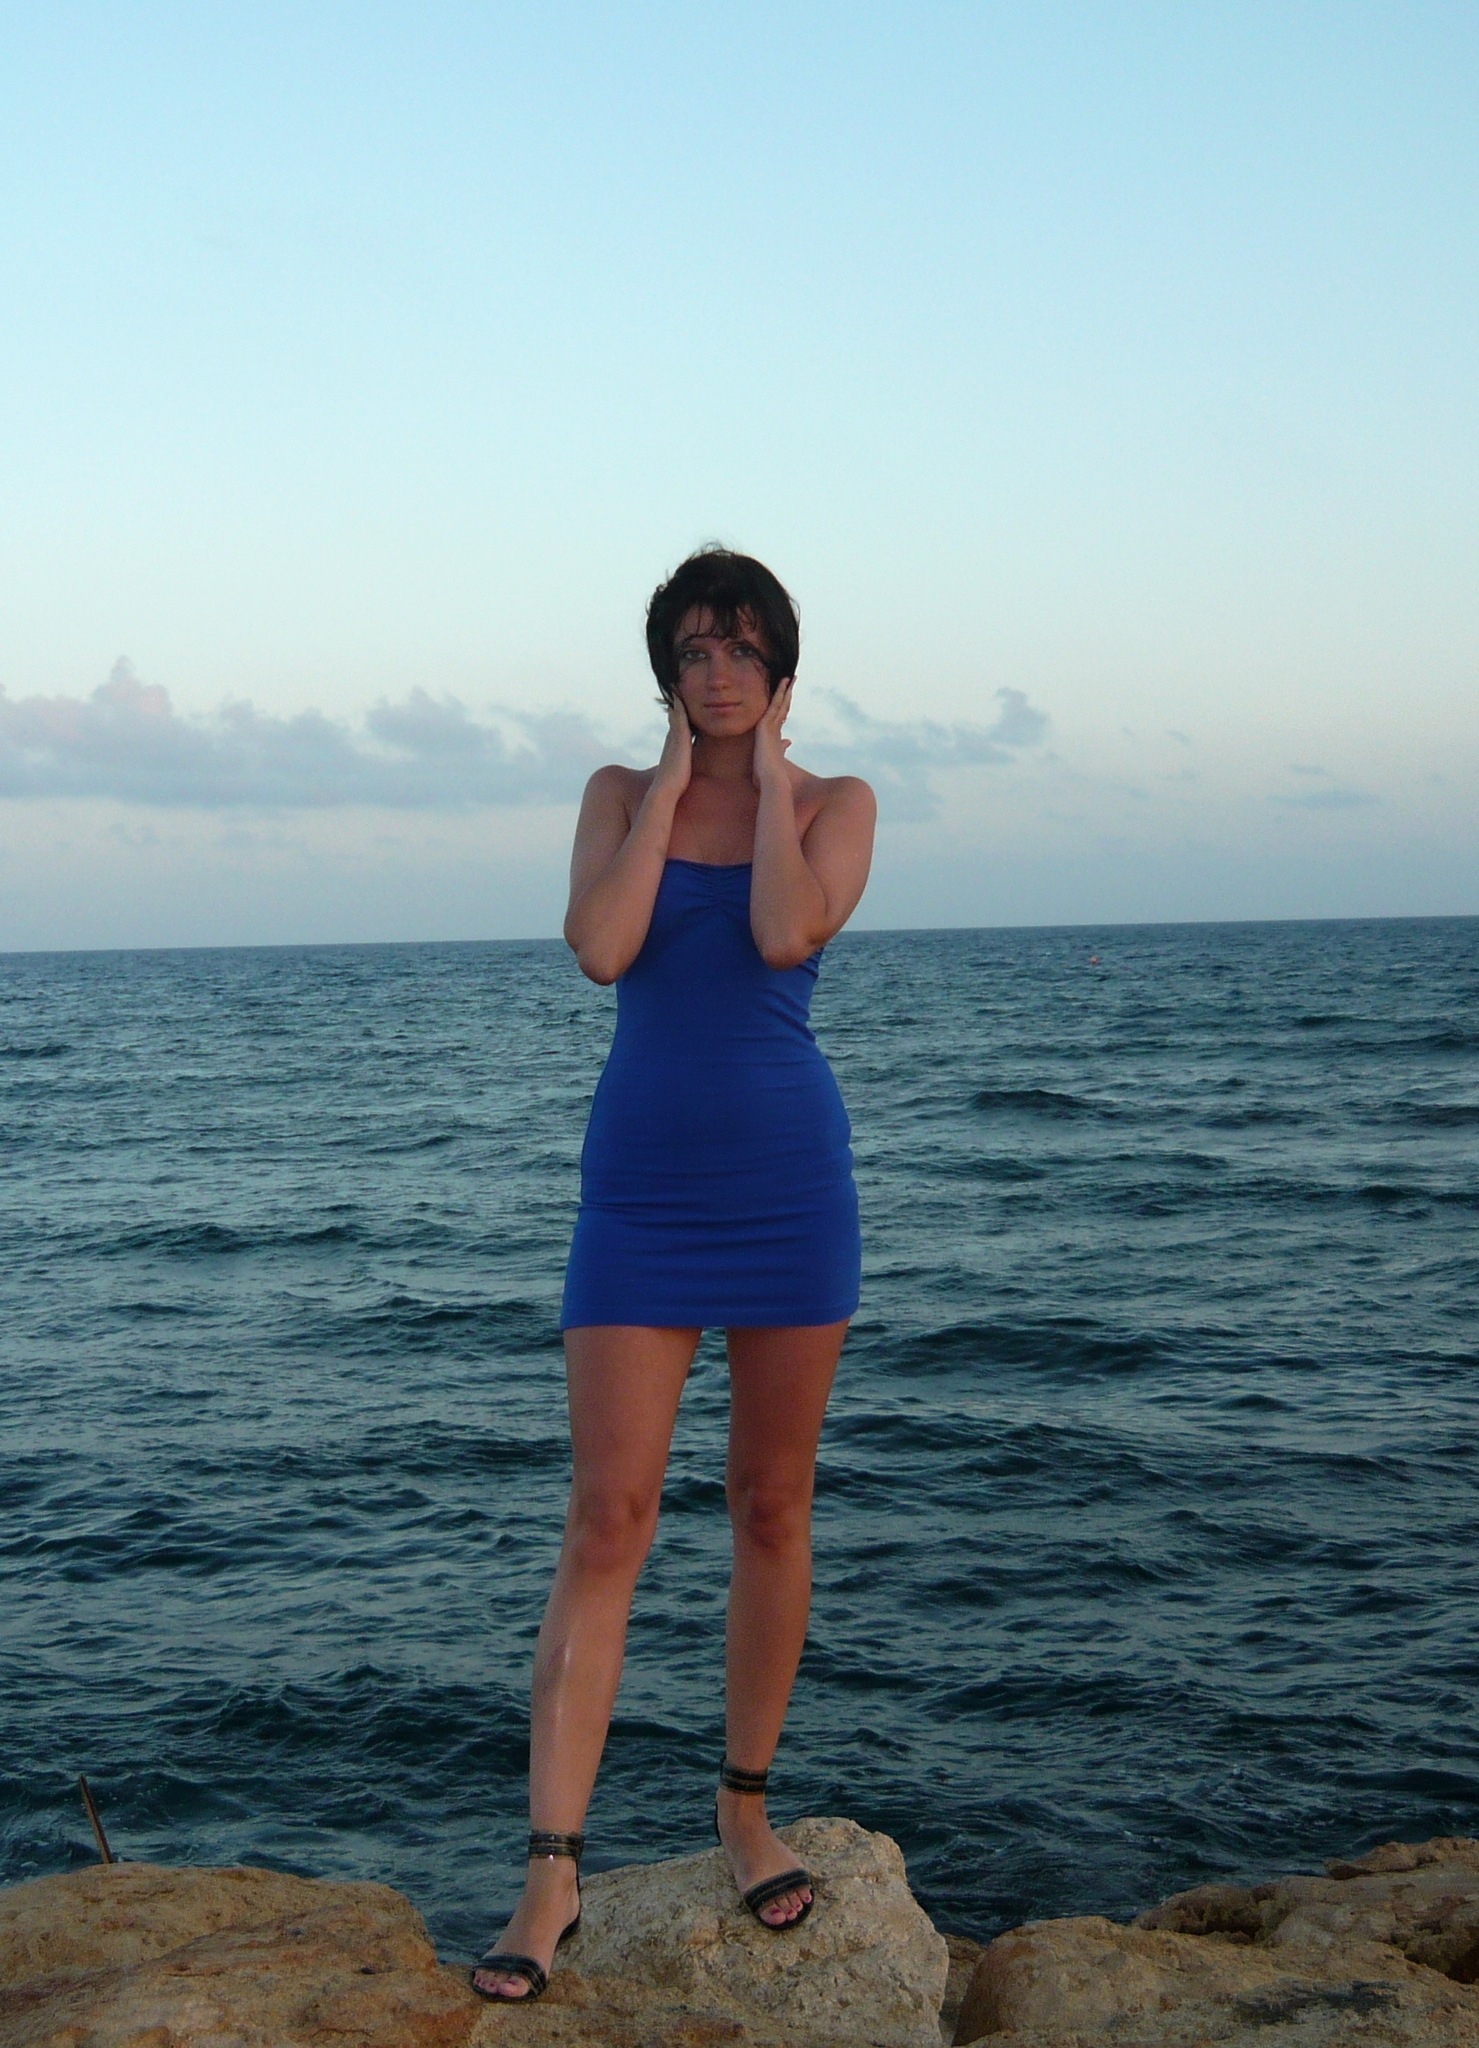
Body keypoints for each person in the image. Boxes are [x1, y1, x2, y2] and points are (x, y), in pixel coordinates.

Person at [473, 546, 877, 2001]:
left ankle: (744, 1809)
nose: (718, 672)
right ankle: (551, 1873)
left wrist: (762, 780)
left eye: (742, 649)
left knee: (771, 1503)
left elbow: (782, 930)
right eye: (694, 650)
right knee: (609, 1518)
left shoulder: (834, 806)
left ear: (781, 672)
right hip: (639, 1195)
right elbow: (601, 947)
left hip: (788, 1188)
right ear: (666, 672)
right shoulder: (612, 796)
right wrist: (663, 788)